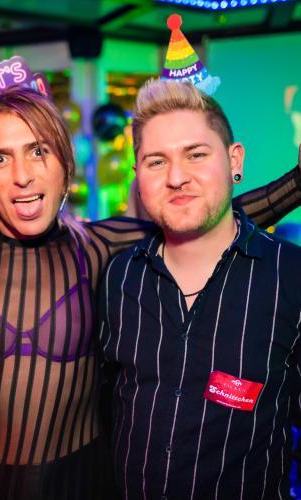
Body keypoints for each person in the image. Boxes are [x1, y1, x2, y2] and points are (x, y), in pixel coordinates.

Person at [0, 87, 300, 499]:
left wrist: (296, 182)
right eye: (0, 158)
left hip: (86, 480)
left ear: (65, 162)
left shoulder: (102, 246)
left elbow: (204, 209)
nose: (23, 175)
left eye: (39, 150)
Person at [99, 79, 301, 500]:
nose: (176, 177)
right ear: (138, 177)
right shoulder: (119, 277)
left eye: (195, 154)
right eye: (156, 162)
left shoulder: (291, 276)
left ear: (234, 160)